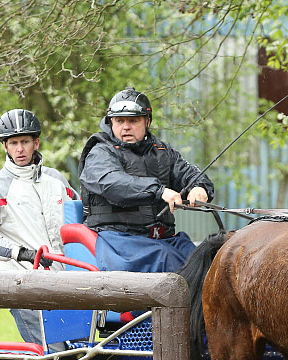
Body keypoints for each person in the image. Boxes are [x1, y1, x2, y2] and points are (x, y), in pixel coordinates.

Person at [0, 108, 78, 344]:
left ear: (36, 142)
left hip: (67, 285)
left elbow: (80, 222)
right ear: (5, 146)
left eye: (25, 142)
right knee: (52, 354)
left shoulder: (57, 181)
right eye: (13, 143)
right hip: (24, 287)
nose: (19, 149)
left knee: (77, 356)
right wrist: (18, 253)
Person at [78, 87, 215, 272]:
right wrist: (159, 191)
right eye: (119, 121)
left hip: (163, 239)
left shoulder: (162, 152)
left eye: (133, 121)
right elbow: (112, 183)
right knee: (166, 258)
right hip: (118, 240)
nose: (126, 126)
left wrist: (199, 187)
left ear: (147, 122)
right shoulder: (100, 152)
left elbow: (187, 172)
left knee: (203, 259)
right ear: (111, 122)